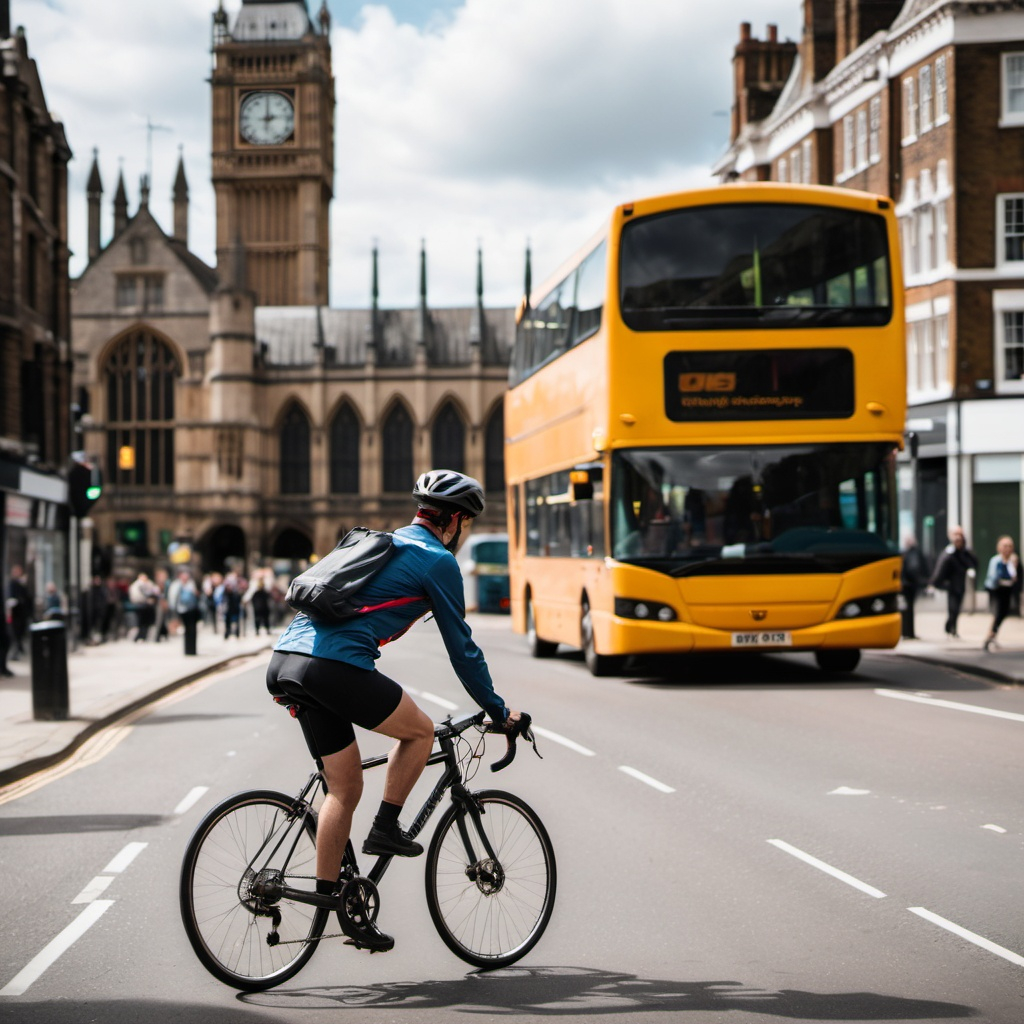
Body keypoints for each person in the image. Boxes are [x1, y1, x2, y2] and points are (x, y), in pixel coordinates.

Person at [266, 469, 523, 953]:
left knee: (343, 787)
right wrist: (498, 710)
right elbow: (462, 649)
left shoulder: (378, 543)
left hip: (285, 661)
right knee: (421, 733)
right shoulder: (437, 560)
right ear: (457, 521)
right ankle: (386, 828)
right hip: (331, 668)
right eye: (463, 522)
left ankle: (338, 905)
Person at [928, 525, 978, 639]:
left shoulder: (966, 552)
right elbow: (940, 569)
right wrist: (933, 583)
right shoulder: (949, 552)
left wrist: (971, 569)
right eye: (956, 535)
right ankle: (950, 628)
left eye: (960, 535)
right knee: (952, 608)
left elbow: (973, 563)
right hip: (951, 585)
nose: (958, 538)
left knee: (957, 609)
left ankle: (952, 629)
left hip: (961, 584)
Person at [982, 535, 1021, 651]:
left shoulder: (1013, 561)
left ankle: (992, 635)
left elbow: (1017, 577)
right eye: (1005, 546)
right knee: (997, 613)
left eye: (1010, 546)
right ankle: (989, 636)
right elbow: (993, 577)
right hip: (996, 590)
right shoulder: (996, 561)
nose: (1007, 549)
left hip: (1007, 590)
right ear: (999, 547)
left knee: (1003, 613)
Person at [899, 533, 929, 639]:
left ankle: (906, 632)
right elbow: (914, 568)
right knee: (908, 609)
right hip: (910, 585)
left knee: (906, 609)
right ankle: (908, 632)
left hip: (906, 584)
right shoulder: (913, 553)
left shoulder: (905, 552)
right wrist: (922, 581)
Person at [5, 565, 31, 659]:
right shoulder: (12, 584)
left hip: (21, 614)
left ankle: (19, 650)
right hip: (15, 614)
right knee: (15, 634)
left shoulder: (21, 584)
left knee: (20, 633)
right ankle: (16, 652)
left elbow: (27, 598)